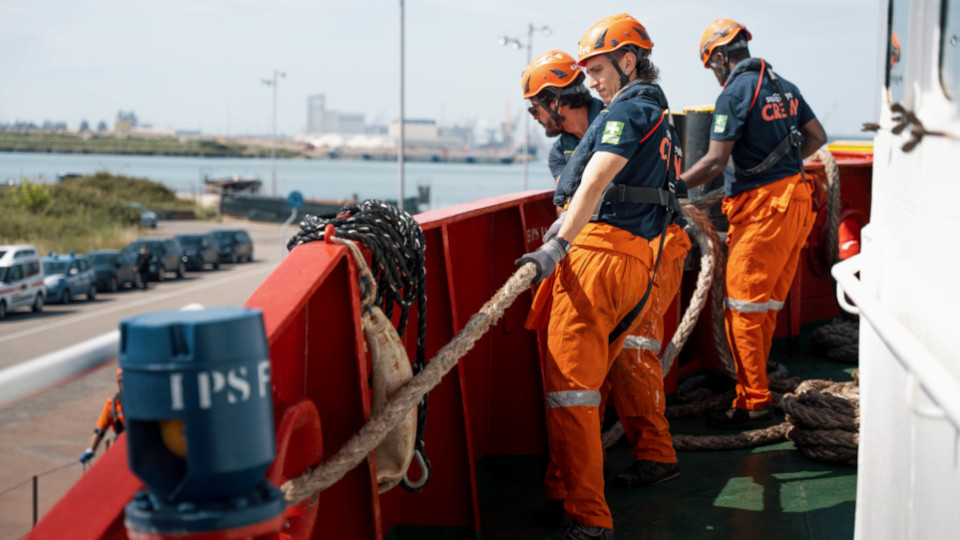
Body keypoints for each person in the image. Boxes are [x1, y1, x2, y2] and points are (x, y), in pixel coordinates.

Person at [515, 13, 683, 539]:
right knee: (591, 386)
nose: (592, 80)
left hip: (596, 259)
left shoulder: (626, 109)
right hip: (636, 261)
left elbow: (599, 175)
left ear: (629, 61)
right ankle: (566, 490)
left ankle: (586, 518)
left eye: (597, 69)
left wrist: (558, 243)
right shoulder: (657, 113)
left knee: (570, 393)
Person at [679, 19, 827, 428]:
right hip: (797, 202)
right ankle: (757, 384)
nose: (716, 75)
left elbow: (712, 161)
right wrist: (780, 165)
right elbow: (817, 136)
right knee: (764, 305)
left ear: (722, 58)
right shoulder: (785, 87)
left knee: (742, 308)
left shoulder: (735, 94)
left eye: (713, 66)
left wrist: (674, 185)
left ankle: (753, 402)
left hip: (764, 210)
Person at [79, 368, 125, 465]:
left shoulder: (144, 402)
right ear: (119, 383)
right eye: (122, 382)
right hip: (121, 451)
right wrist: (90, 450)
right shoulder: (112, 405)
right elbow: (100, 430)